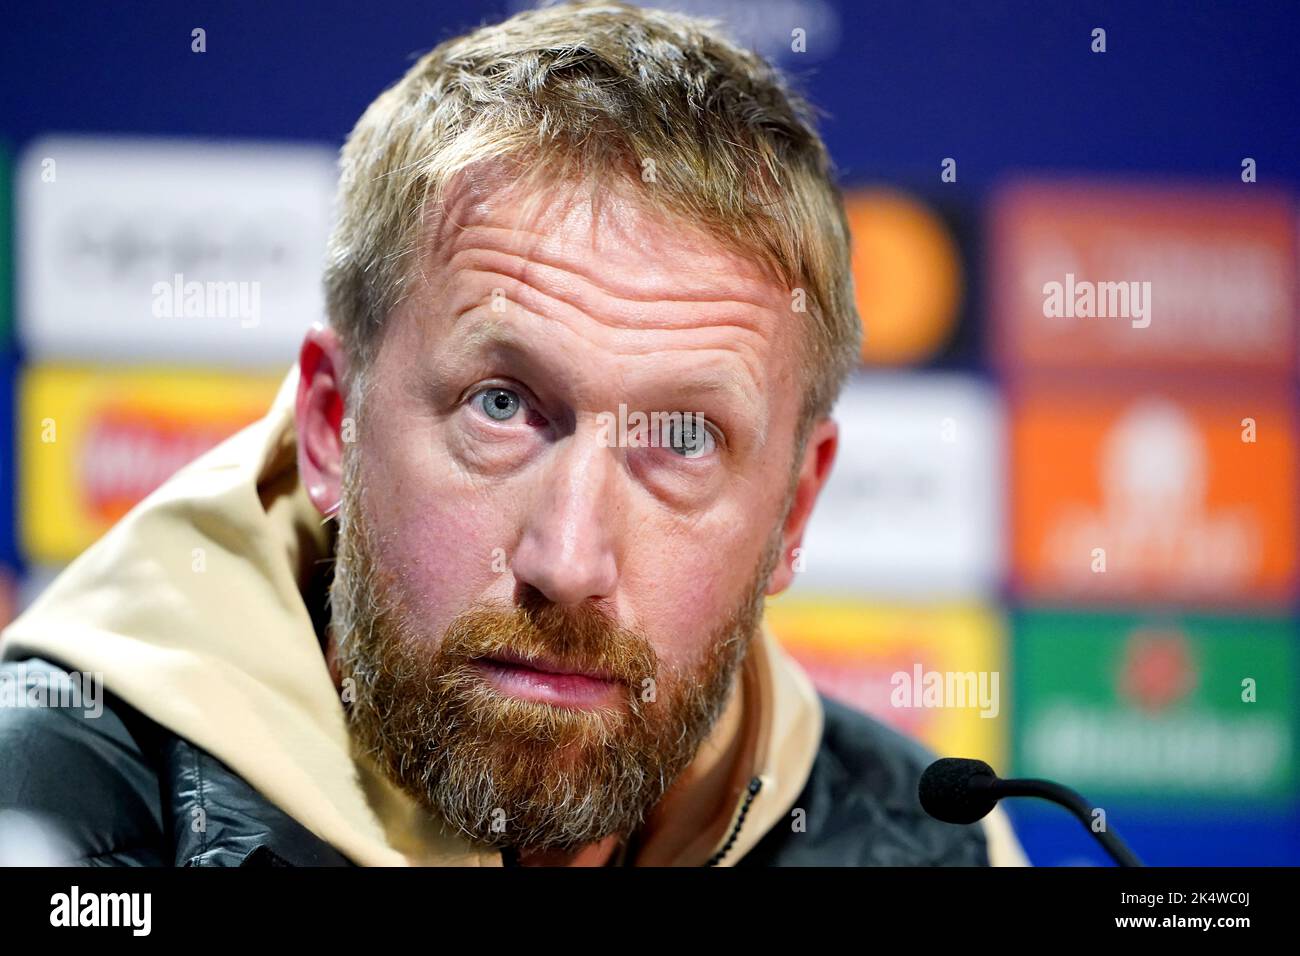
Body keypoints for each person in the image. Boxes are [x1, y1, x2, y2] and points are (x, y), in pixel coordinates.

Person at [0, 0, 1025, 867]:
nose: (567, 559)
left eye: (680, 436)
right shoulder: (57, 807)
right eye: (501, 405)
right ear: (330, 426)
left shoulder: (930, 840)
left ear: (794, 509)